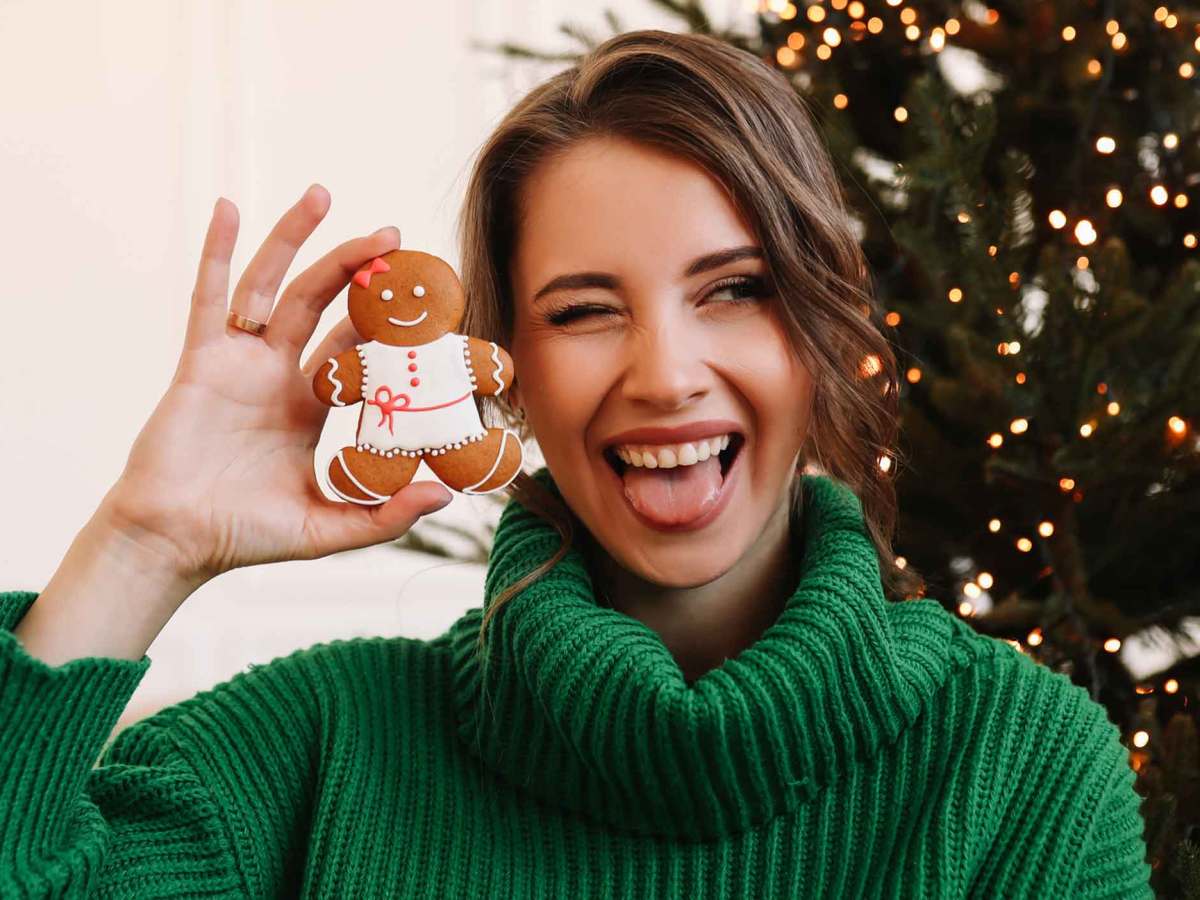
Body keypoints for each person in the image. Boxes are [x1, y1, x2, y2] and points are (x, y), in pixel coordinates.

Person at [1, 29, 1152, 899]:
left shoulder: (1022, 764)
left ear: (820, 334)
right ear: (505, 372)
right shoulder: (323, 746)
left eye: (735, 290)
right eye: (584, 311)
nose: (665, 374)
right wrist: (143, 544)